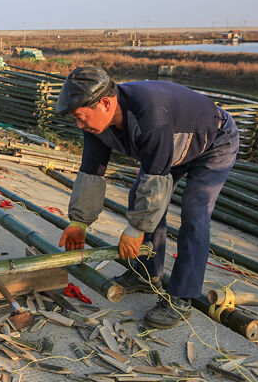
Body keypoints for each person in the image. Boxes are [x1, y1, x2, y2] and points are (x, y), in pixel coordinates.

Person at [56, 67, 239, 329]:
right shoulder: (96, 125)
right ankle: (146, 275)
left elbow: (155, 182)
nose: (79, 125)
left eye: (80, 117)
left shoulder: (151, 116)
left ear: (105, 103)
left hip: (213, 140)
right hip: (171, 146)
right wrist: (79, 222)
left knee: (195, 212)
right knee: (139, 195)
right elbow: (92, 171)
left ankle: (181, 297)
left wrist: (136, 229)